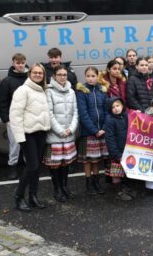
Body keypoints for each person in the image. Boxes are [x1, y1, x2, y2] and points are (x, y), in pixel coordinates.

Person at [9, 64, 51, 212]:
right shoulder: (23, 90)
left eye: (40, 73)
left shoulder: (42, 90)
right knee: (32, 166)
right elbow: (15, 115)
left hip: (41, 133)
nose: (38, 75)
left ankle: (33, 196)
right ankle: (18, 196)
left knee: (37, 167)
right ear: (30, 74)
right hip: (28, 134)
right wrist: (20, 137)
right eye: (35, 72)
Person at [43, 65, 79, 202]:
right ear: (54, 76)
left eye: (65, 75)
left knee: (66, 164)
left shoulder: (71, 91)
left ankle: (64, 187)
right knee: (55, 165)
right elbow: (49, 113)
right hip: (55, 136)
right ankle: (57, 189)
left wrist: (71, 129)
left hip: (69, 134)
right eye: (60, 75)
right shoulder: (49, 91)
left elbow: (75, 112)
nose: (63, 77)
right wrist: (60, 131)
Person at [76, 67, 108, 195]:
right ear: (85, 77)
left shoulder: (102, 90)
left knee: (97, 160)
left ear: (97, 76)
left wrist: (103, 128)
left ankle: (96, 182)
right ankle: (89, 184)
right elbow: (83, 114)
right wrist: (95, 130)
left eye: (93, 76)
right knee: (88, 160)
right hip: (88, 132)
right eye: (88, 76)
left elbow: (106, 110)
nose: (90, 78)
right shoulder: (82, 91)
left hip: (101, 130)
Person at [0, 53, 29, 179]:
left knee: (29, 144)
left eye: (22, 63)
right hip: (14, 119)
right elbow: (3, 101)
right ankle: (12, 167)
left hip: (29, 118)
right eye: (18, 63)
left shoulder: (30, 78)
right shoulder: (7, 81)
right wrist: (6, 118)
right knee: (14, 145)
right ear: (13, 63)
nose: (20, 65)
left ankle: (29, 166)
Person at [104, 97, 135, 200]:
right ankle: (118, 192)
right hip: (116, 152)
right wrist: (116, 154)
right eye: (113, 107)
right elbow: (110, 139)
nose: (116, 108)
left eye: (118, 106)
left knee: (126, 171)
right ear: (110, 109)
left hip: (126, 149)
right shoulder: (110, 121)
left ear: (122, 106)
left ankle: (125, 188)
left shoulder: (126, 116)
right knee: (116, 173)